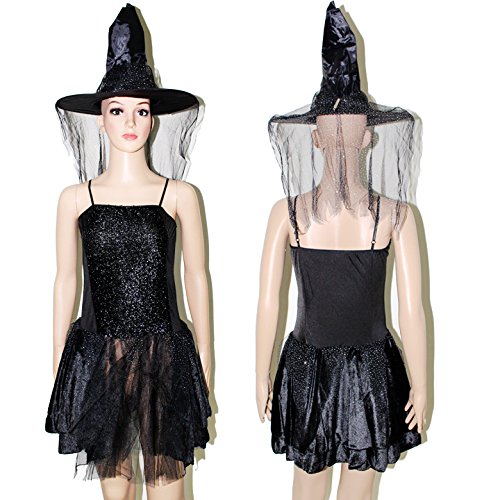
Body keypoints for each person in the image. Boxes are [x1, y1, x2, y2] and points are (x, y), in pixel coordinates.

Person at [256, 3, 427, 499]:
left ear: (367, 135)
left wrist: (421, 382)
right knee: (307, 490)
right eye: (331, 124)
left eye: (350, 123)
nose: (340, 134)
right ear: (315, 137)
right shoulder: (286, 214)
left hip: (371, 372)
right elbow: (268, 302)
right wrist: (261, 372)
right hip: (306, 367)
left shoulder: (396, 216)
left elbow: (413, 308)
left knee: (359, 493)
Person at [45, 5, 211, 499]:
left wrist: (206, 357)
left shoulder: (179, 195)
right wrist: (59, 361)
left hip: (166, 357)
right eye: (118, 110)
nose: (131, 121)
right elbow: (65, 280)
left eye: (141, 110)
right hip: (101, 358)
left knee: (169, 490)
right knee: (115, 493)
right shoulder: (76, 199)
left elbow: (197, 277)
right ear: (101, 120)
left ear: (153, 119)